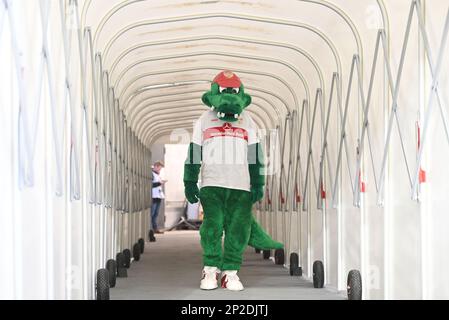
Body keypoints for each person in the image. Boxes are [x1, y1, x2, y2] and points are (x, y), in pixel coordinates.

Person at [183, 71, 282, 292]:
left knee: (238, 229)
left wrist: (257, 183)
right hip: (212, 184)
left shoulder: (248, 119)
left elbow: (255, 152)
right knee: (212, 227)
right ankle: (210, 269)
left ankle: (230, 272)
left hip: (241, 186)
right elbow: (194, 151)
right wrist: (190, 181)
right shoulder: (204, 119)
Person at [151, 161, 166, 234]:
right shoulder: (151, 174)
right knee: (152, 213)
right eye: (159, 169)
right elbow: (150, 185)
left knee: (156, 214)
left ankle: (155, 228)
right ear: (156, 166)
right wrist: (159, 183)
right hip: (153, 196)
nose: (159, 170)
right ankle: (152, 228)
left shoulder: (157, 175)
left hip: (158, 196)